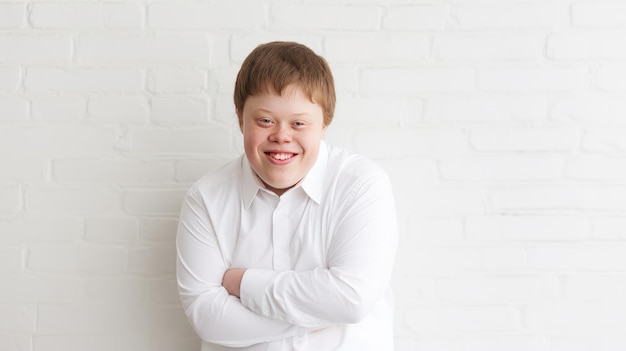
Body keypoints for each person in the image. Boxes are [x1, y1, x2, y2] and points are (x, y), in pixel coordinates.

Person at [176, 41, 398, 351]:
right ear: (240, 118)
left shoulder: (361, 186)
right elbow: (206, 317)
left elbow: (351, 300)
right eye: (265, 120)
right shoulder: (206, 198)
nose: (281, 135)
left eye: (299, 123)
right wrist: (321, 311)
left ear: (324, 124)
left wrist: (244, 285)